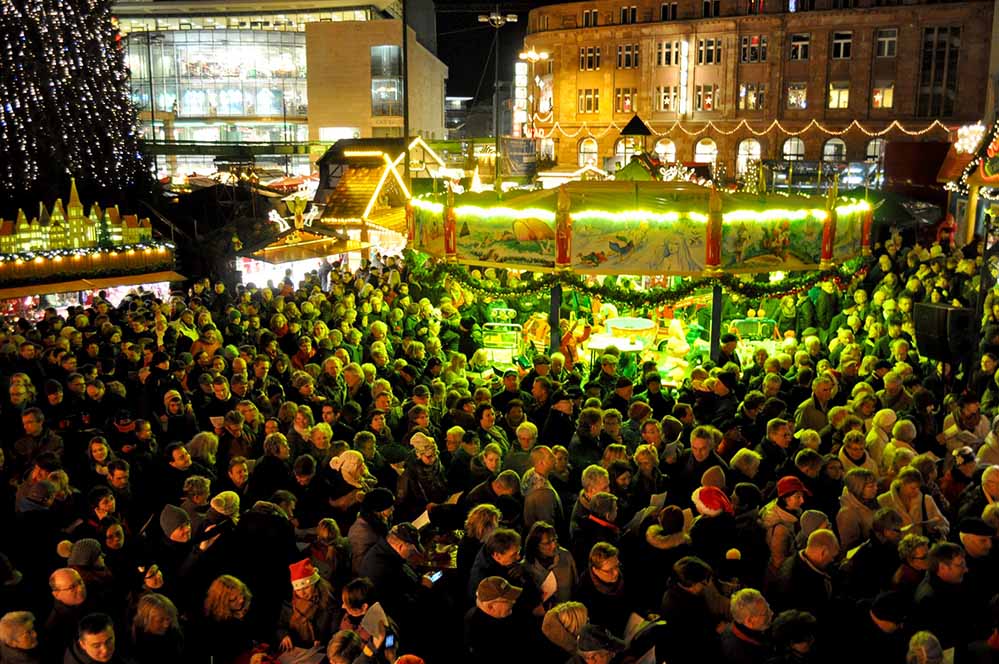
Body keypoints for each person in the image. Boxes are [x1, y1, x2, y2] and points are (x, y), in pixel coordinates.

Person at [719, 588, 772, 664]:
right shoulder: (743, 655)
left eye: (768, 607)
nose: (771, 613)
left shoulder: (734, 627)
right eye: (765, 613)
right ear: (749, 620)